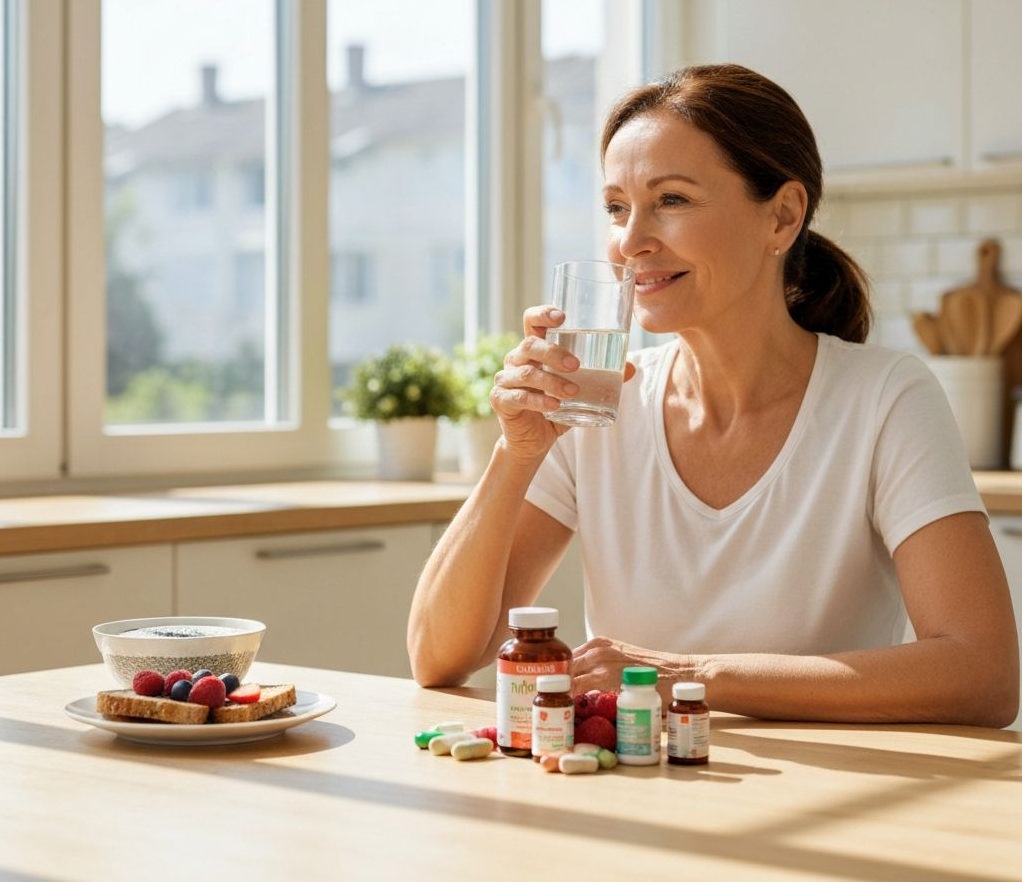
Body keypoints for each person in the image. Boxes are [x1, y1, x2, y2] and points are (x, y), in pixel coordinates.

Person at [407, 64, 1019, 727]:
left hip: (831, 798)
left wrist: (687, 678)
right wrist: (516, 453)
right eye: (616, 206)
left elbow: (982, 673)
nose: (631, 241)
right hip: (640, 786)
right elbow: (438, 658)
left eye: (671, 200)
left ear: (782, 218)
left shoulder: (885, 399)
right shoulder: (600, 404)